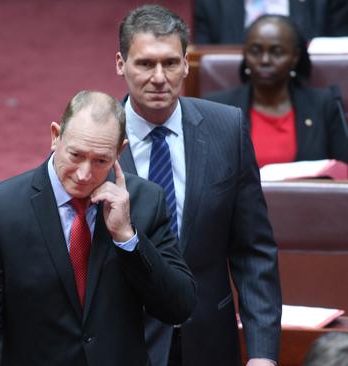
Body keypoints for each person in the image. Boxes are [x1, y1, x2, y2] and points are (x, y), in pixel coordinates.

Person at [0, 90, 196, 366]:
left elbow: (178, 306)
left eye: (101, 160)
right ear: (56, 136)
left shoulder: (145, 202)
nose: (84, 174)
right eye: (76, 155)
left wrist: (128, 238)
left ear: (120, 151)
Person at [115, 5, 281, 366]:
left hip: (209, 341)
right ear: (120, 64)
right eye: (145, 64)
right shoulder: (97, 139)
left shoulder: (227, 129)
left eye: (171, 63)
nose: (159, 77)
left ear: (187, 64)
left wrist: (263, 353)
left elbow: (253, 251)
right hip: (125, 343)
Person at [205, 14, 348, 168]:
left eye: (277, 52)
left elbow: (343, 170)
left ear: (295, 57)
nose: (265, 60)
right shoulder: (217, 107)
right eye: (255, 51)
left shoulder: (324, 105)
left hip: (306, 192)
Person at [194, 0, 348, 44]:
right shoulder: (211, 4)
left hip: (306, 93)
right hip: (233, 93)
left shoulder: (326, 4)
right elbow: (202, 63)